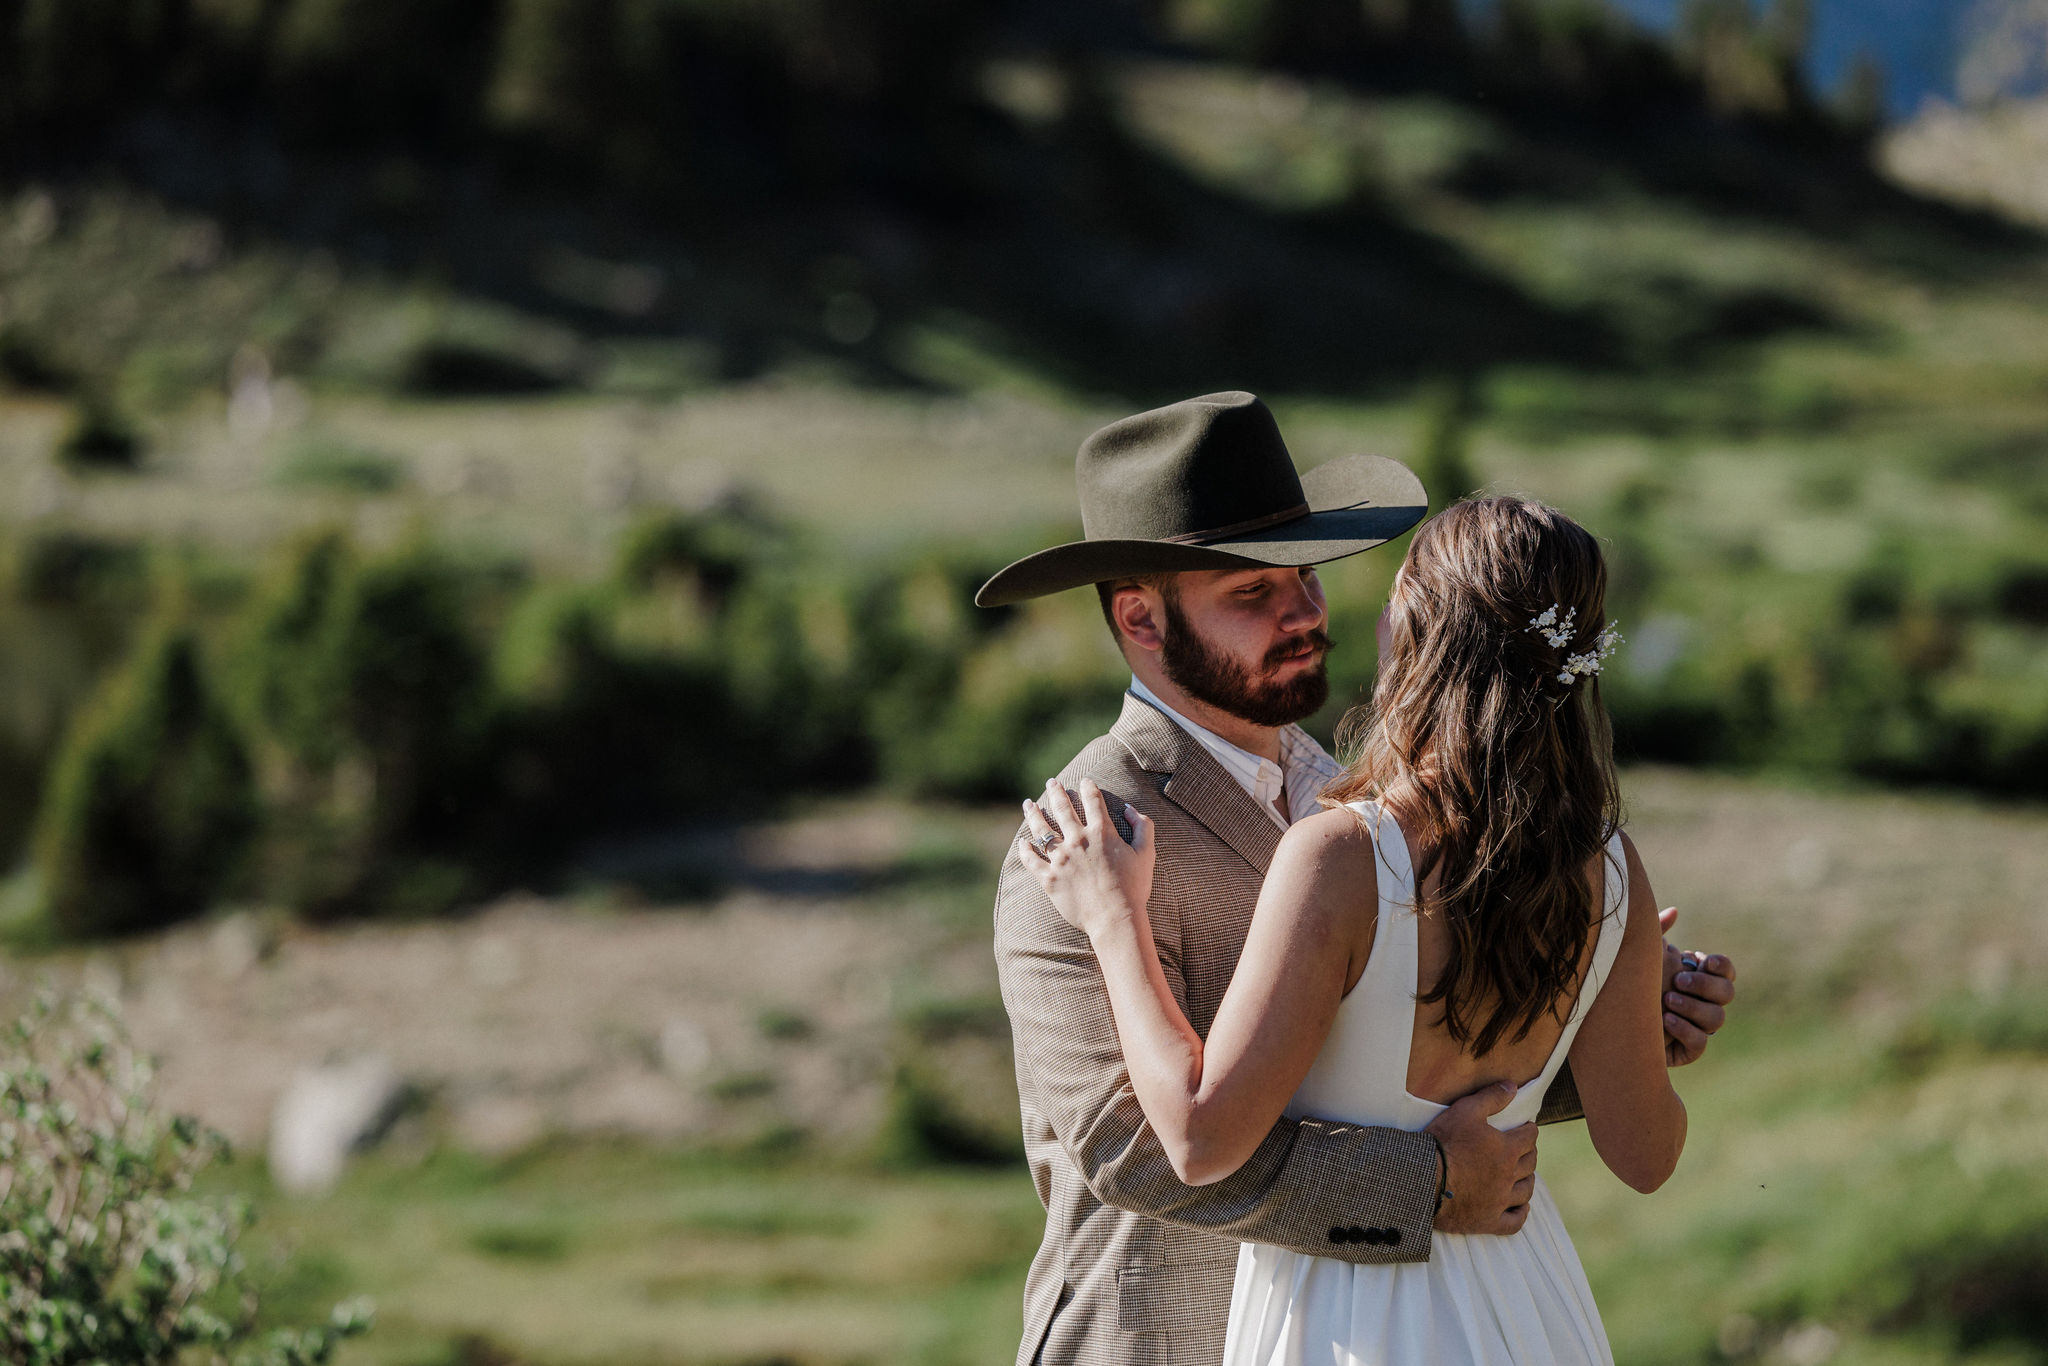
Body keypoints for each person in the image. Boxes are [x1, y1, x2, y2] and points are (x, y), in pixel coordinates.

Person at [979, 392, 1735, 1365]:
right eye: (1250, 595)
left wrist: (1598, 1007)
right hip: (1155, 1340)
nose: (1300, 612)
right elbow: (1133, 1147)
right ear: (1140, 619)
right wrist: (1420, 1183)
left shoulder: (1370, 801)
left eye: (1304, 578)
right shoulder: (1079, 839)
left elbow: (1396, 1068)